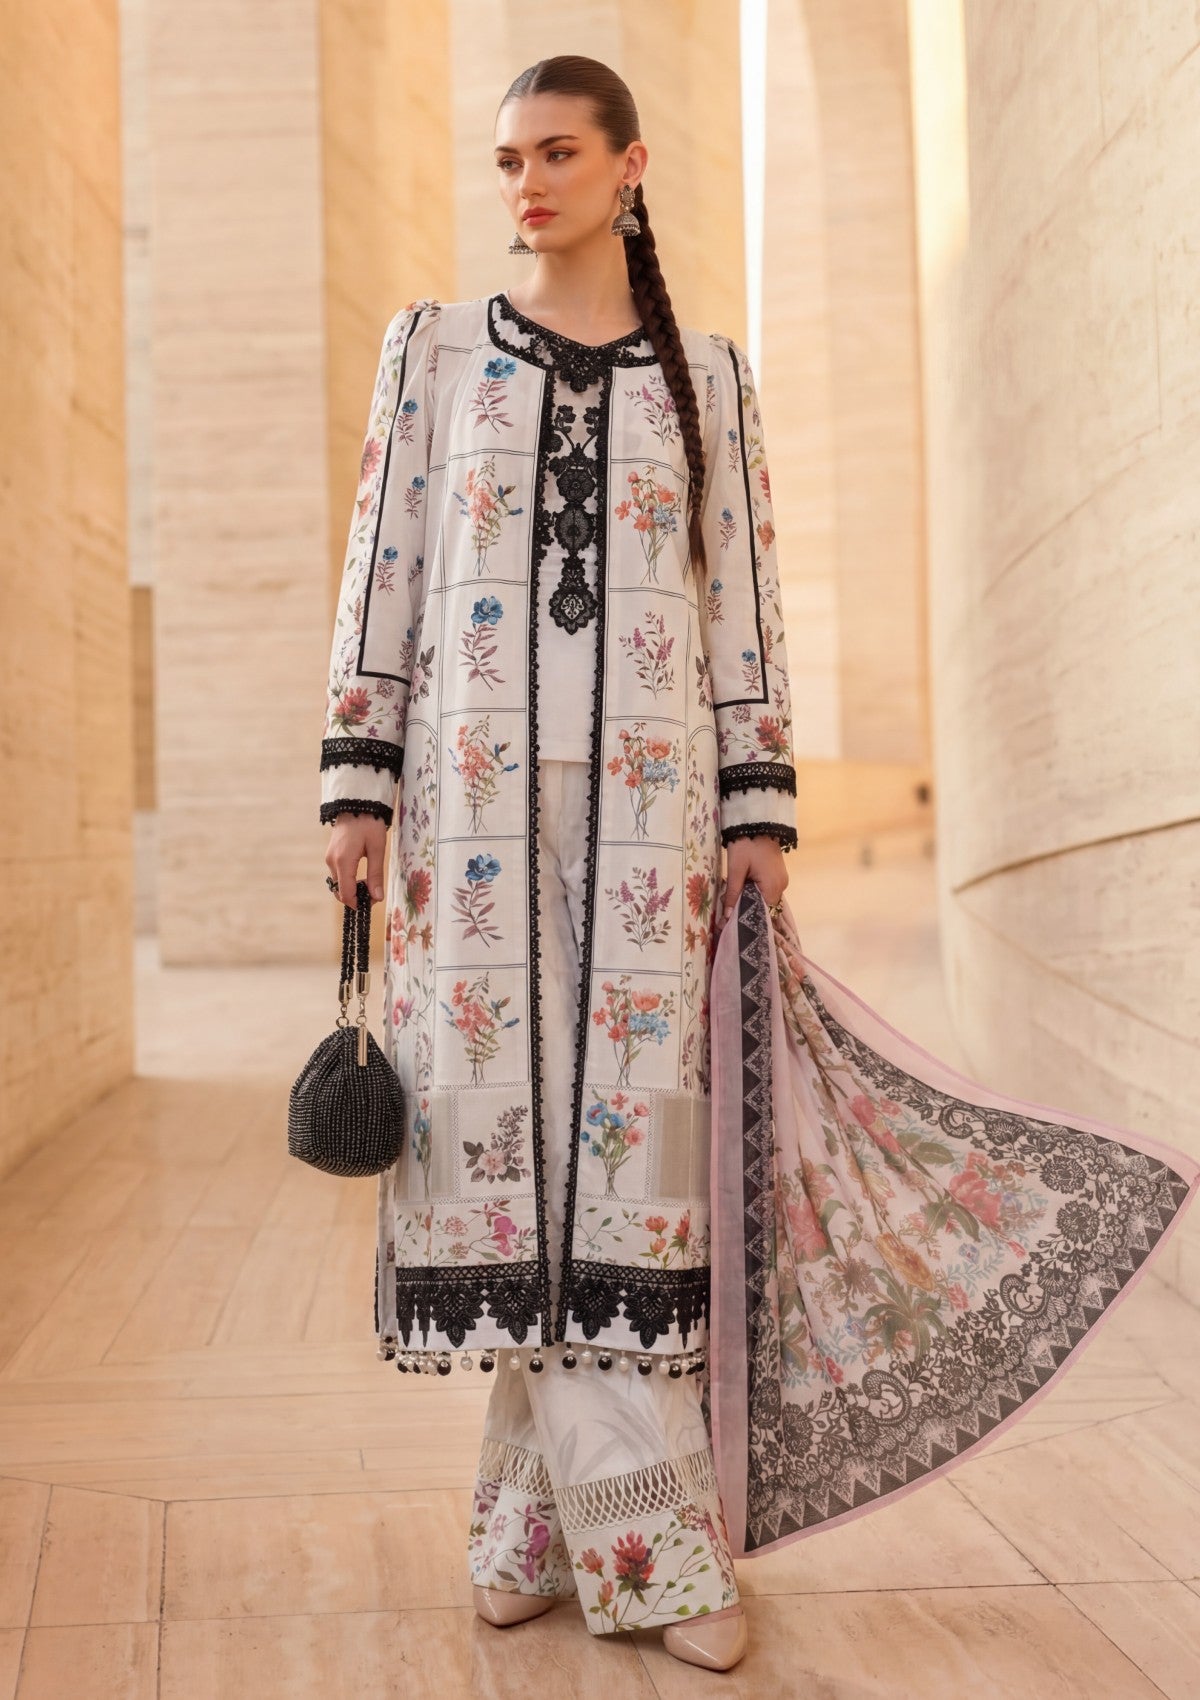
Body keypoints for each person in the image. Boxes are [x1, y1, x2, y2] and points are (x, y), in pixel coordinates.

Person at [320, 54, 790, 1669]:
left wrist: (758, 802)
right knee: (510, 1162)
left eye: (560, 152)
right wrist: (357, 779)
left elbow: (743, 598)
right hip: (471, 822)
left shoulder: (706, 378)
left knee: (631, 1172)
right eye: (509, 157)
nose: (526, 182)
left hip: (660, 829)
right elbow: (382, 571)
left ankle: (530, 1528)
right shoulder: (436, 353)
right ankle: (655, 1559)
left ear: (629, 165)